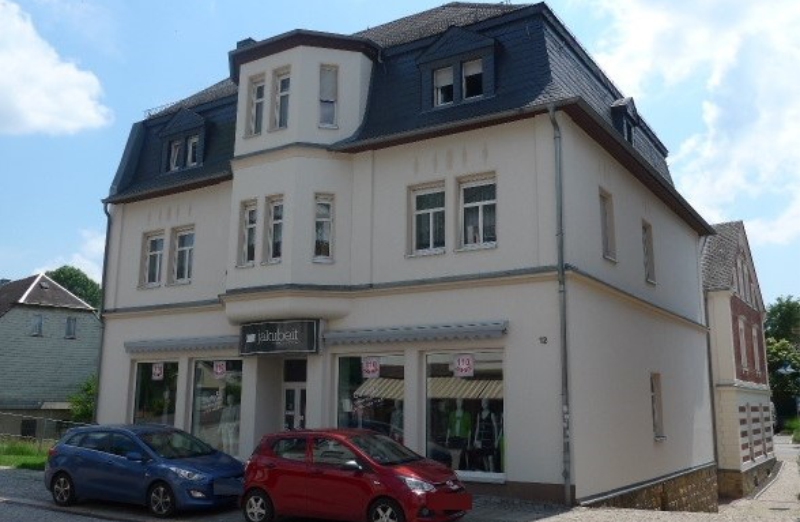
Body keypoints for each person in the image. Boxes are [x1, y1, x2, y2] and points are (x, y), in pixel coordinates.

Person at [445, 398, 472, 470]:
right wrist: (447, 439)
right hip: (453, 437)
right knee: (453, 457)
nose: (459, 403)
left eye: (460, 402)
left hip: (462, 438)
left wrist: (469, 442)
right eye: (457, 402)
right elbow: (449, 428)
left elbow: (469, 430)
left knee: (458, 456)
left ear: (462, 403)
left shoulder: (467, 415)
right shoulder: (452, 414)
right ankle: (454, 472)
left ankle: (456, 472)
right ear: (456, 403)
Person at [473, 398, 498, 471]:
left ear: (488, 403)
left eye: (485, 402)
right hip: (481, 439)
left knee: (490, 458)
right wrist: (475, 439)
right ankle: (487, 473)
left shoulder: (491, 414)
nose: (483, 404)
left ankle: (492, 474)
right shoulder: (479, 414)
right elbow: (477, 427)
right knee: (484, 457)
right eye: (482, 402)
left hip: (489, 439)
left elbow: (495, 427)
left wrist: (496, 440)